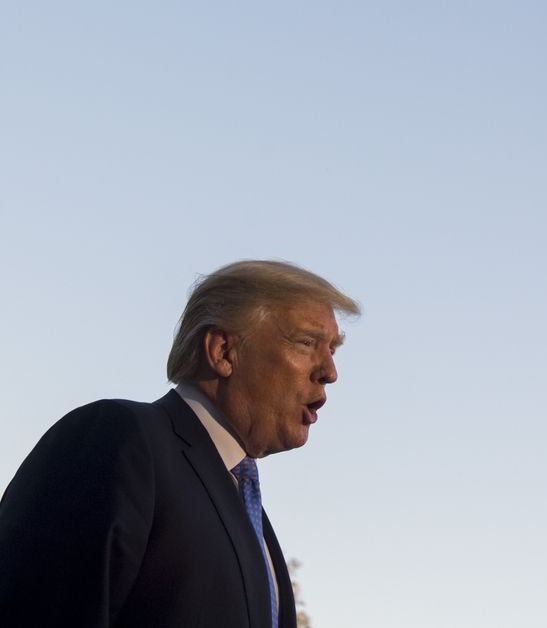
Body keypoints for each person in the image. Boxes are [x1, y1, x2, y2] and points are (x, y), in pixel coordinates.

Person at [0, 260, 359, 628]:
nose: (330, 372)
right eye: (306, 342)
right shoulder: (116, 438)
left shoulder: (252, 517)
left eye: (333, 349)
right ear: (222, 351)